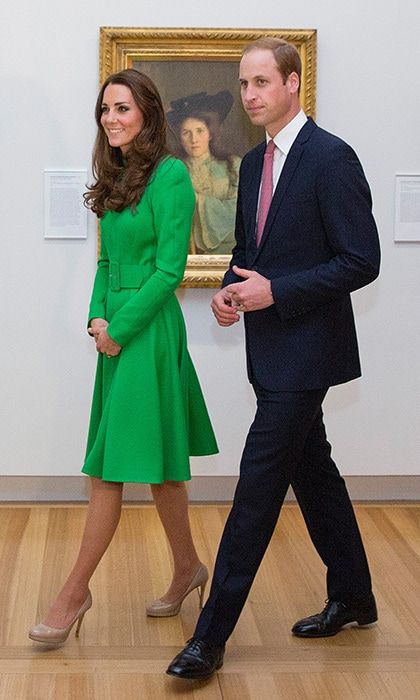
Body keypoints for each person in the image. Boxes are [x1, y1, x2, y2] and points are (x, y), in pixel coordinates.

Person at [167, 38, 381, 680]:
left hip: (308, 355)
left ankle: (210, 637)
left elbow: (360, 261)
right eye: (243, 84)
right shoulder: (257, 163)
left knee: (257, 490)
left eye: (262, 82)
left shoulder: (332, 157)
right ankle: (355, 596)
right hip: (271, 350)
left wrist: (275, 292)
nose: (250, 94)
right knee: (313, 473)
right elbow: (257, 248)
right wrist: (235, 286)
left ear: (293, 84)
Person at [28, 69, 218, 645]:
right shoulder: (114, 175)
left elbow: (170, 270)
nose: (111, 118)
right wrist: (95, 319)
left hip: (149, 332)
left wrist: (122, 328)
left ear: (148, 114)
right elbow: (107, 264)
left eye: (122, 109)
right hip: (114, 331)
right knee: (157, 465)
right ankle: (189, 568)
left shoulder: (171, 178)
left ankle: (73, 593)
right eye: (105, 109)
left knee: (108, 468)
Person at [167, 91, 241, 255]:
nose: (194, 139)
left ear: (209, 134)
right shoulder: (171, 171)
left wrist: (199, 201)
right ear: (180, 138)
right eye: (186, 133)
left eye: (200, 131)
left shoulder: (233, 165)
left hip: (227, 253)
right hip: (184, 255)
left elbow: (238, 213)